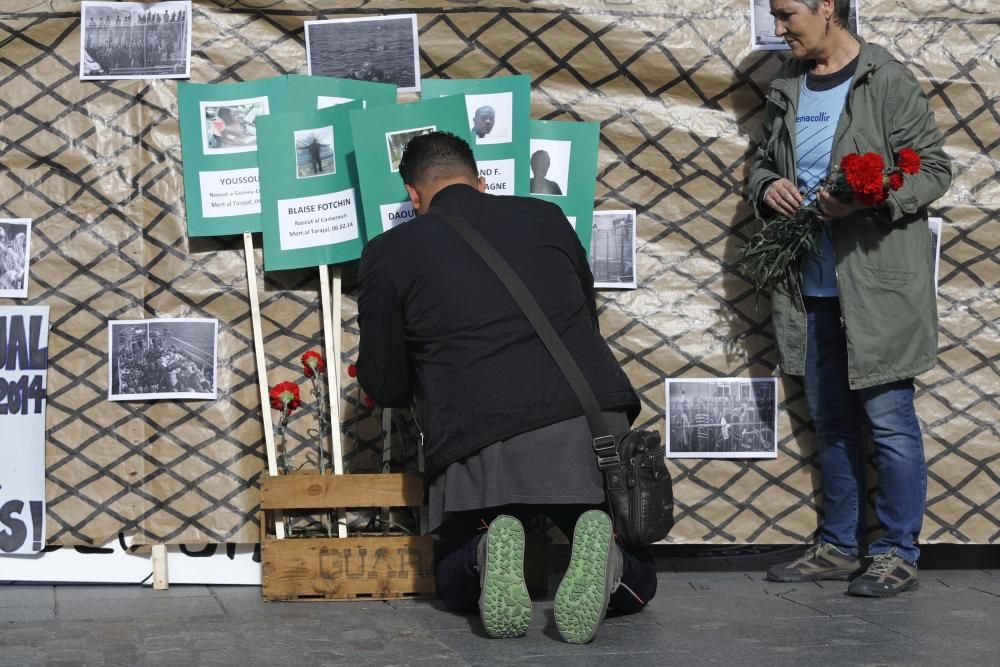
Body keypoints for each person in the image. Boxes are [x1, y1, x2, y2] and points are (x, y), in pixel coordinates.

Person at [357, 132, 656, 642]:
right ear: (481, 180)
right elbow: (586, 319)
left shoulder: (389, 250)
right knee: (639, 580)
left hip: (481, 438)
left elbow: (384, 381)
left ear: (413, 196)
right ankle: (607, 558)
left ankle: (483, 552)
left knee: (451, 572)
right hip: (586, 428)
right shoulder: (546, 217)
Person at [747, 0, 951, 597]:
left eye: (787, 15)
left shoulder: (885, 80)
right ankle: (838, 545)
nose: (779, 30)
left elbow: (934, 170)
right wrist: (770, 187)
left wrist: (872, 199)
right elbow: (762, 164)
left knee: (888, 422)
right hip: (808, 284)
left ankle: (895, 552)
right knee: (832, 420)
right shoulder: (787, 88)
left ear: (828, 7)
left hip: (875, 284)